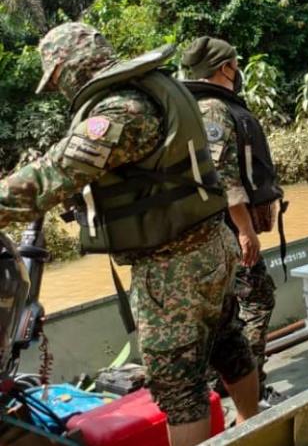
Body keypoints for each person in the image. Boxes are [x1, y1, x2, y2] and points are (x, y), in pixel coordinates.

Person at [0, 23, 258, 446]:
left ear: (70, 68)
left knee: (177, 383)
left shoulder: (120, 110)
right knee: (226, 341)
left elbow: (52, 174)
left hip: (172, 266)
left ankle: (245, 428)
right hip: (212, 245)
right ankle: (253, 425)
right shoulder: (152, 87)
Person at [181, 37, 285, 408]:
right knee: (257, 299)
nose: (238, 70)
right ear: (226, 67)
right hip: (225, 229)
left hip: (215, 229)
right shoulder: (212, 110)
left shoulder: (201, 106)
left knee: (227, 309)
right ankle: (250, 384)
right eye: (236, 64)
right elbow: (223, 177)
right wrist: (244, 230)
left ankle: (224, 379)